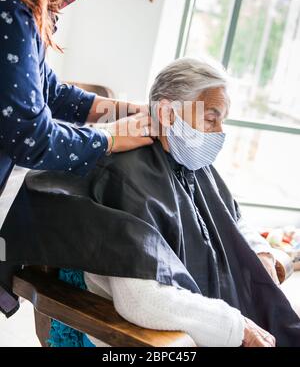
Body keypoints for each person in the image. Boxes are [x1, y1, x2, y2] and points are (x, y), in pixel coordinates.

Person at [1, 58, 299, 347]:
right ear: (169, 114)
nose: (220, 132)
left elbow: (231, 216)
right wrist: (237, 328)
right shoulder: (126, 173)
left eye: (223, 120)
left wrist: (259, 251)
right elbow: (143, 300)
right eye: (211, 118)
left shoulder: (191, 159)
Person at [0, 0, 152, 197]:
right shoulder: (10, 13)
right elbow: (32, 139)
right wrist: (110, 137)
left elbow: (50, 93)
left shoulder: (14, 4)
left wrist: (131, 112)